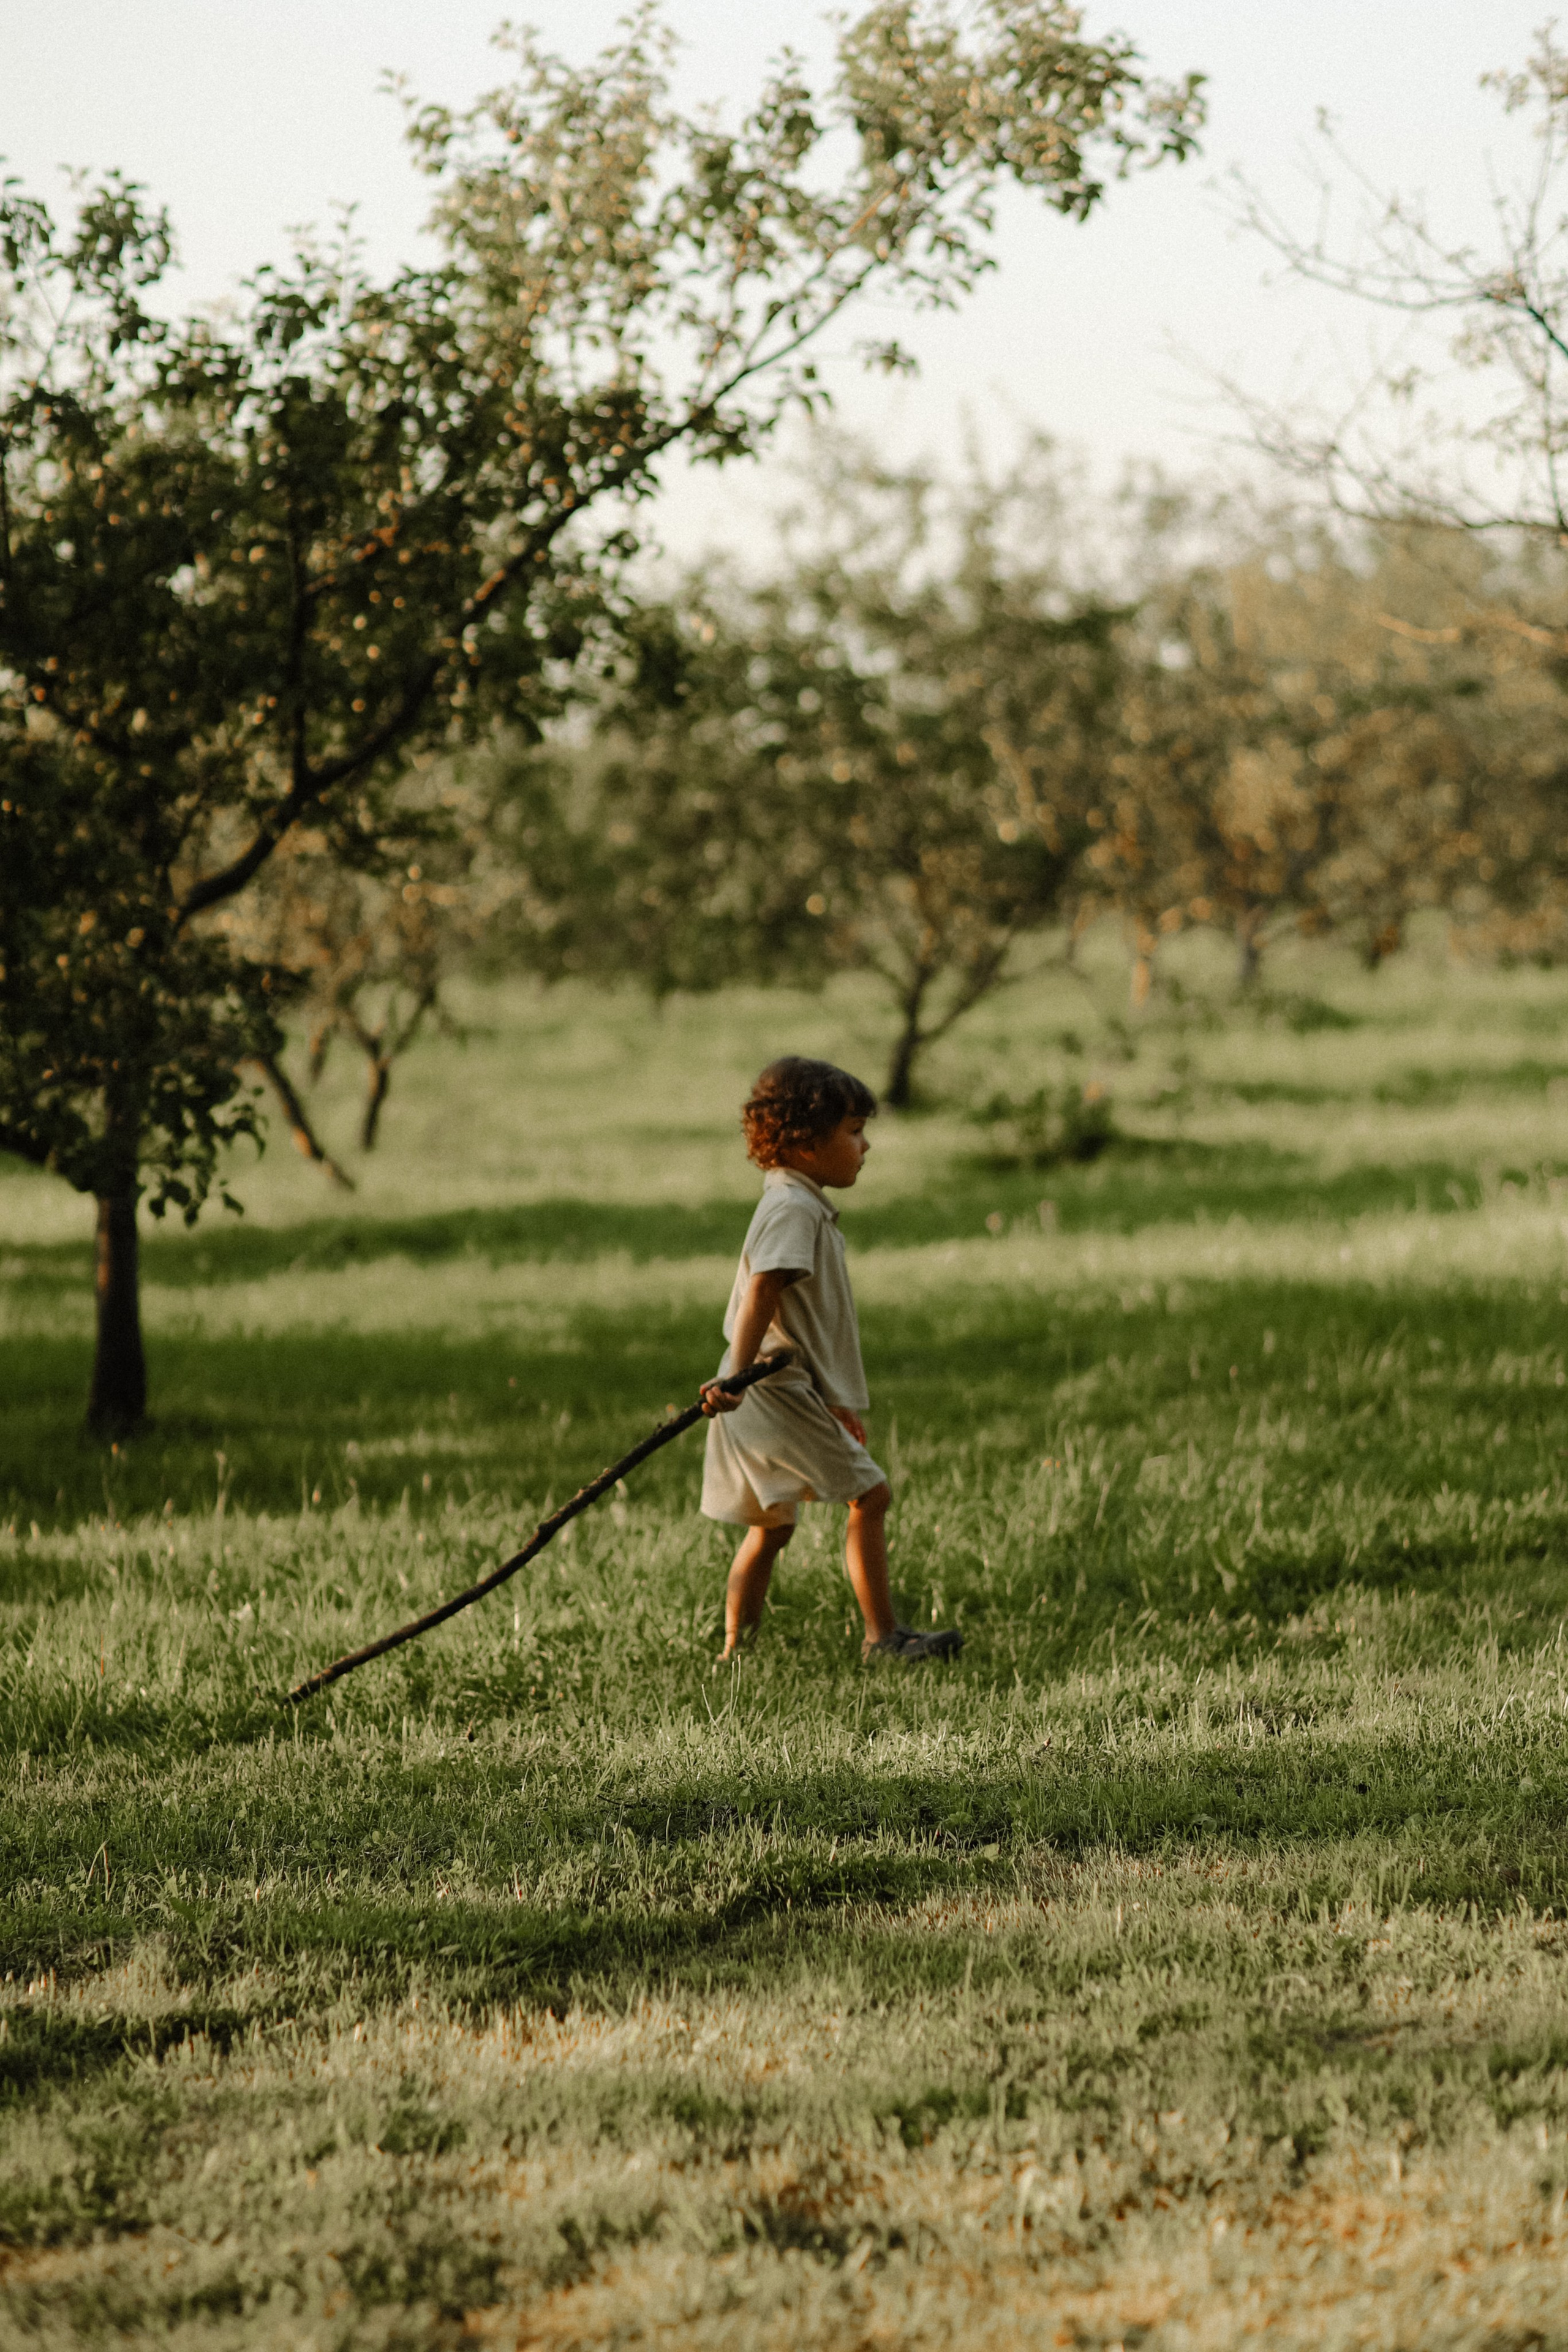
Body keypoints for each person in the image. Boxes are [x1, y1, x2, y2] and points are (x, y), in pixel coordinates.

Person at [699, 1055, 963, 1665]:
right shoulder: (793, 1209)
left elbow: (805, 1323)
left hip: (775, 1387)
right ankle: (882, 1638)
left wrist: (836, 1403)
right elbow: (763, 1289)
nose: (865, 1145)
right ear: (806, 1143)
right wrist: (735, 1377)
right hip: (768, 1387)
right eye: (852, 1131)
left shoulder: (795, 1202)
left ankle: (736, 1650)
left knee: (772, 1524)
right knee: (870, 1497)